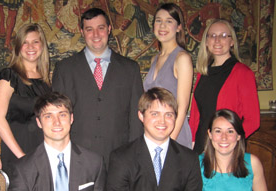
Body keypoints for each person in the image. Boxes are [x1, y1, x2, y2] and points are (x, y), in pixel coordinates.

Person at [52, 7, 143, 165]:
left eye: (100, 28)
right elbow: (56, 117)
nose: (95, 35)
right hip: (77, 159)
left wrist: (134, 156)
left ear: (109, 29)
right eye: (89, 29)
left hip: (119, 158)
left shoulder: (130, 68)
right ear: (82, 31)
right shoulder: (65, 69)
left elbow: (136, 119)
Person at [189, 19, 260, 154]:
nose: (217, 40)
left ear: (232, 41)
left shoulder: (243, 73)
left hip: (225, 150)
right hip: (200, 146)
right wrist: (192, 142)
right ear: (206, 41)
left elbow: (253, 120)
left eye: (223, 36)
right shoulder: (202, 73)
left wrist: (228, 141)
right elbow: (195, 114)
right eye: (212, 36)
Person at [0, 23, 51, 176]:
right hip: (17, 152)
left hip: (42, 152)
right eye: (25, 42)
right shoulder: (9, 75)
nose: (30, 46)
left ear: (42, 46)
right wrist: (22, 157)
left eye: (35, 41)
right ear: (18, 47)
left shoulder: (46, 81)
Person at [143, 3, 193, 149]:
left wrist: (168, 143)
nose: (162, 26)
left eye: (169, 21)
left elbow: (182, 107)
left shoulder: (182, 58)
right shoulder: (155, 59)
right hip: (154, 132)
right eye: (158, 20)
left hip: (174, 135)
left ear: (178, 27)